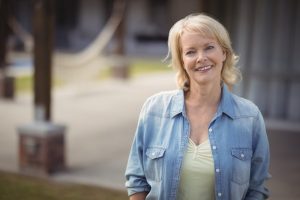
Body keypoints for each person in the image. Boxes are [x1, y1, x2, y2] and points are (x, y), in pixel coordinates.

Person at [125, 13, 270, 200]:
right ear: (182, 61)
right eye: (190, 52)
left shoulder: (249, 117)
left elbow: (256, 189)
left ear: (224, 53)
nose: (201, 58)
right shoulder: (154, 110)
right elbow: (137, 180)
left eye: (209, 47)